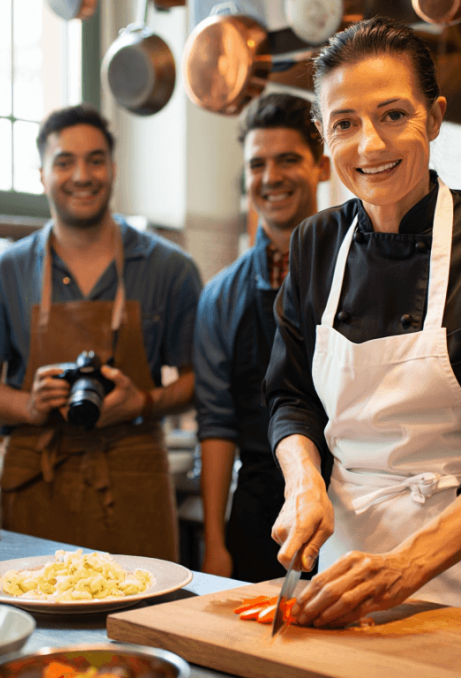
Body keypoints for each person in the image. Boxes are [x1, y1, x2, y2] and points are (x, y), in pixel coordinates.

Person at [266, 18, 461, 626]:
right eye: (345, 123)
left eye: (392, 115)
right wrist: (304, 482)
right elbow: (290, 395)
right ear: (323, 135)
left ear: (433, 119)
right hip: (342, 578)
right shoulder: (314, 244)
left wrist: (407, 567)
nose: (370, 147)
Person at [0, 105, 202, 561]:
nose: (82, 175)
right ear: (42, 174)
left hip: (134, 477)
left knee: (140, 622)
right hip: (35, 477)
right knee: (32, 609)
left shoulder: (170, 268)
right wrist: (27, 405)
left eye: (95, 160)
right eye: (64, 162)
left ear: (113, 169)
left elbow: (201, 381)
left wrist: (142, 402)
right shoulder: (6, 271)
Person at [194, 94, 331, 581]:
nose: (270, 177)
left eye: (288, 159)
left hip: (350, 510)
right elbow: (216, 425)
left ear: (322, 167)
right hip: (258, 517)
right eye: (257, 164)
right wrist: (214, 542)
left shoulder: (359, 271)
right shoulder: (220, 297)